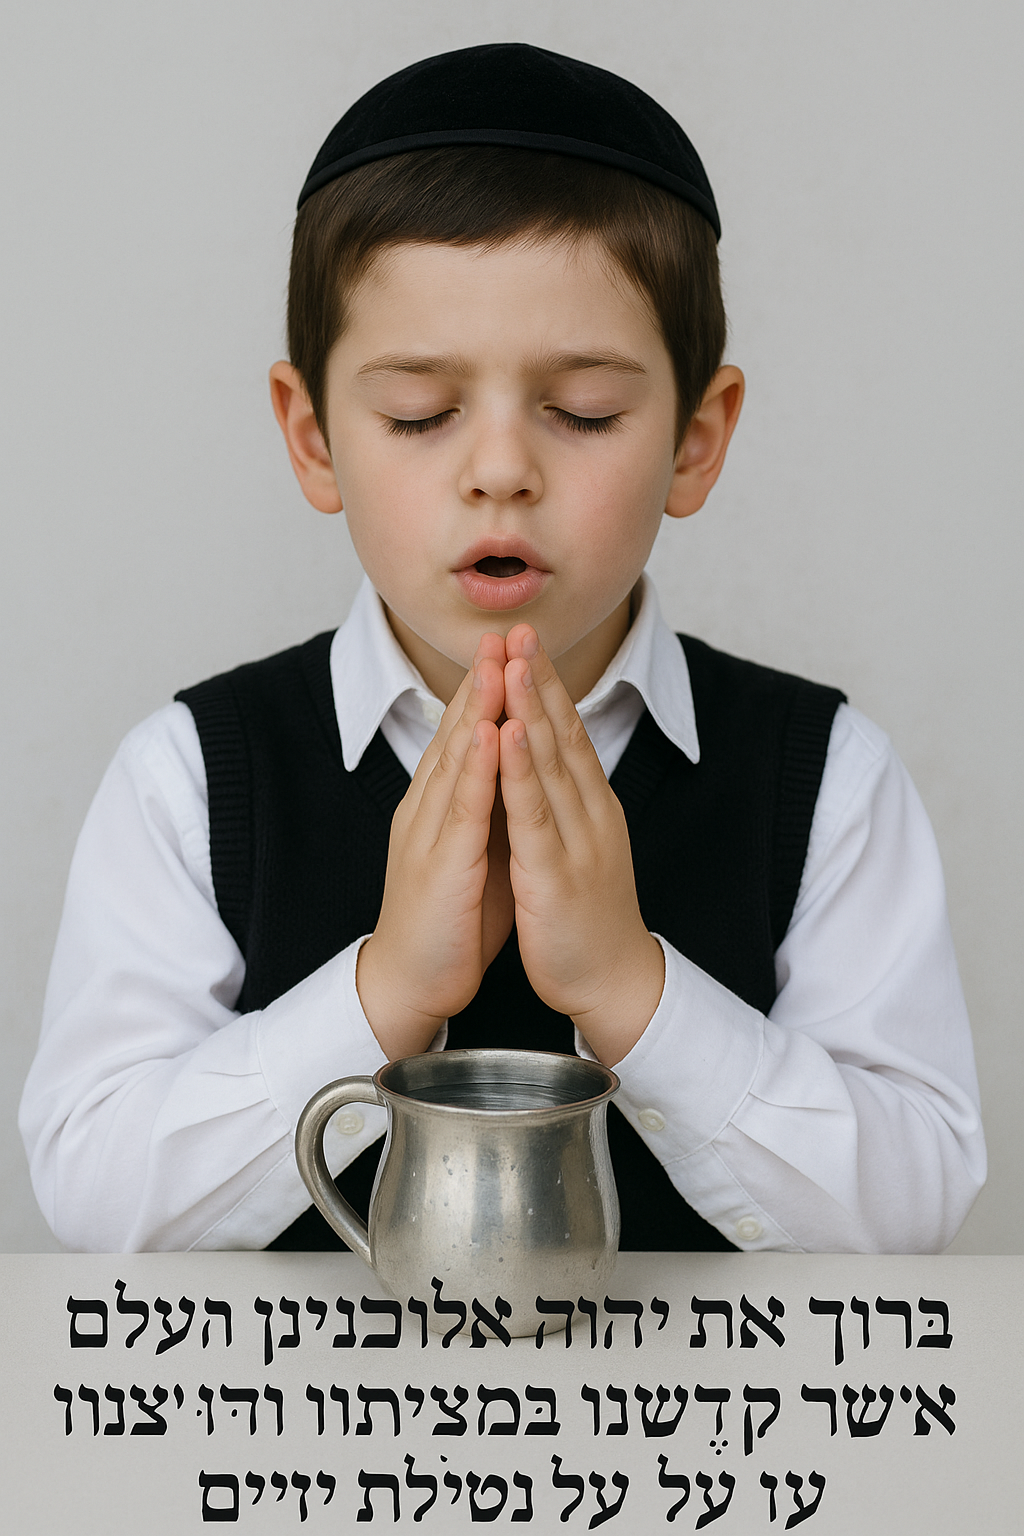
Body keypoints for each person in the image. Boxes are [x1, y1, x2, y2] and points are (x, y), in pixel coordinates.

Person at [20, 44, 985, 1255]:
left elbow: (911, 1213)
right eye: (419, 413)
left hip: (717, 1449)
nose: (498, 470)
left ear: (696, 438)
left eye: (582, 411)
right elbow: (99, 1201)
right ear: (312, 437)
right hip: (291, 1444)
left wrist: (636, 991)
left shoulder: (827, 776)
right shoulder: (189, 779)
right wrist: (384, 996)